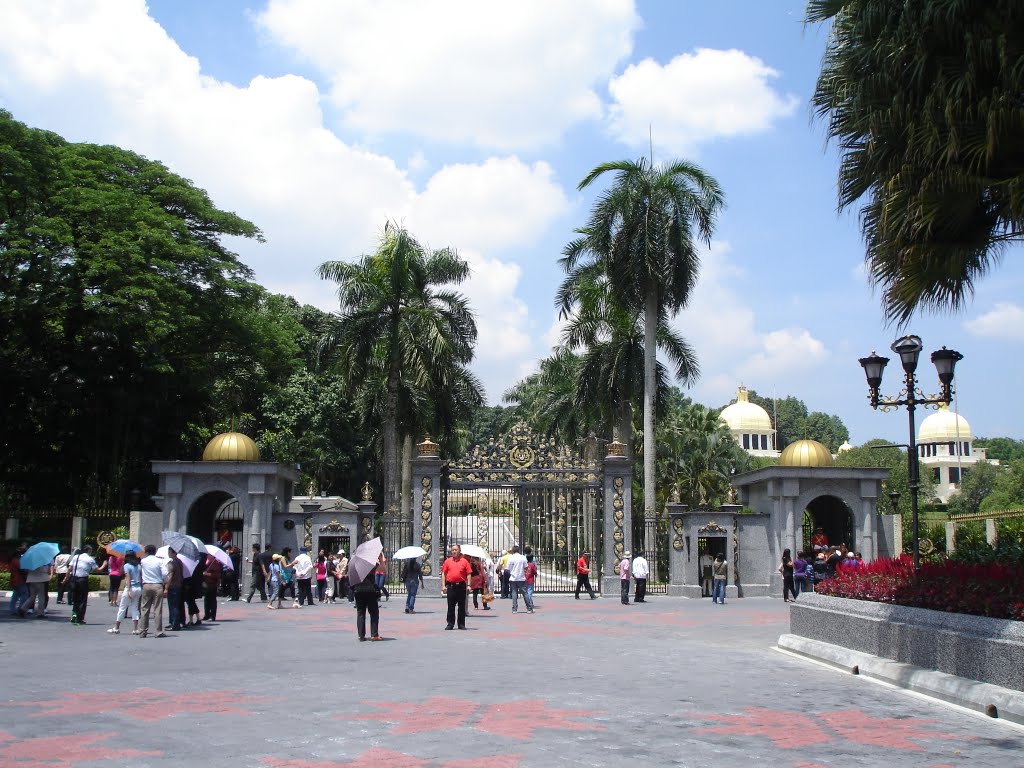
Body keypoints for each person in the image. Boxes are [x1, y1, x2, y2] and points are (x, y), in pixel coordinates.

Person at [108, 550, 142, 634]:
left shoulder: (127, 566)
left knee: (122, 607)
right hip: (138, 588)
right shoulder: (138, 566)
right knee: (135, 607)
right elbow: (141, 578)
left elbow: (128, 577)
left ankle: (116, 627)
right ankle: (135, 629)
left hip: (131, 588)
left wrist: (129, 589)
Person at [138, 544, 167, 638]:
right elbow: (165, 573)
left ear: (146, 552)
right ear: (155, 551)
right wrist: (164, 581)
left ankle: (143, 631)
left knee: (144, 609)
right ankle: (158, 631)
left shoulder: (143, 561)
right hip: (157, 585)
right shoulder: (159, 561)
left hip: (146, 585)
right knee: (157, 609)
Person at [440, 543, 472, 630]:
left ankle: (461, 624)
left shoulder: (464, 561)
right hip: (451, 586)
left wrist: (469, 585)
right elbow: (443, 573)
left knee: (461, 606)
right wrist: (443, 586)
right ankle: (450, 623)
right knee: (451, 606)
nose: (454, 551)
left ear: (459, 551)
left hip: (461, 586)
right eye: (452, 550)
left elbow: (469, 573)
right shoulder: (448, 561)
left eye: (455, 550)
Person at [64, 544, 98, 624]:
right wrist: (104, 565)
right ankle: (79, 618)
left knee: (75, 599)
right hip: (82, 580)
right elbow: (97, 569)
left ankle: (74, 616)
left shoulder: (76, 557)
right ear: (89, 550)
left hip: (74, 579)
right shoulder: (90, 559)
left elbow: (69, 568)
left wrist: (66, 578)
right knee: (82, 599)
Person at [353, 555, 383, 641]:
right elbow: (383, 570)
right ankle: (374, 634)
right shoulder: (370, 565)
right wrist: (380, 559)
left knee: (360, 613)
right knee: (374, 613)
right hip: (370, 590)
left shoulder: (355, 566)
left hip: (358, 590)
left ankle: (361, 636)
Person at [505, 545, 534, 614]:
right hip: (521, 578)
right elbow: (526, 567)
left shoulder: (511, 558)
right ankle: (529, 608)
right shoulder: (523, 557)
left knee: (514, 593)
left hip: (513, 578)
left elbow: (508, 568)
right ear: (518, 550)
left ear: (513, 551)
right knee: (525, 593)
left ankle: (514, 609)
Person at [164, 546, 184, 631]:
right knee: (176, 605)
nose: (168, 553)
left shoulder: (172, 563)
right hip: (179, 585)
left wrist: (166, 587)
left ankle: (175, 624)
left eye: (169, 552)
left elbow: (170, 576)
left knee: (173, 606)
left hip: (173, 586)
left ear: (173, 553)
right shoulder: (179, 561)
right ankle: (173, 622)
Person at [184, 554, 205, 626]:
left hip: (190, 586)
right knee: (191, 602)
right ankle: (193, 619)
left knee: (190, 602)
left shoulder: (192, 565)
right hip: (194, 585)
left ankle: (194, 619)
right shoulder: (197, 564)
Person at [202, 551, 222, 621]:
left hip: (212, 584)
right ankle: (206, 615)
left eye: (209, 555)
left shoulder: (215, 563)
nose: (207, 556)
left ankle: (212, 616)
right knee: (206, 600)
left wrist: (207, 574)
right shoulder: (208, 563)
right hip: (207, 584)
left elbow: (216, 575)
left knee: (212, 600)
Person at [8, 543, 27, 615]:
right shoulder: (17, 561)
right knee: (24, 594)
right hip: (19, 580)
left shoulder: (13, 560)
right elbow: (22, 570)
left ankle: (12, 609)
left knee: (15, 595)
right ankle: (21, 608)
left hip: (15, 579)